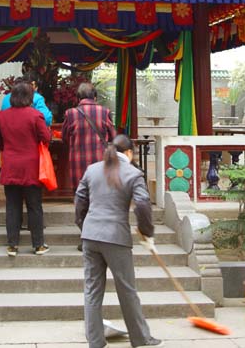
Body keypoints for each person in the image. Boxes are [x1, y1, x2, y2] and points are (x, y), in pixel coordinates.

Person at [75, 134, 162, 348]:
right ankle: (141, 338)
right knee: (127, 290)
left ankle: (95, 340)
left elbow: (80, 201)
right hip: (116, 238)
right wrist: (146, 232)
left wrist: (84, 225)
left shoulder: (92, 169)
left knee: (92, 289)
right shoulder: (133, 173)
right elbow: (142, 205)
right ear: (129, 153)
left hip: (90, 236)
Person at [0, 81, 51, 256]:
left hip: (10, 165)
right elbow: (46, 136)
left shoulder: (3, 116)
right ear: (30, 97)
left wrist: (4, 145)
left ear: (12, 96)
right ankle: (38, 245)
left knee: (12, 206)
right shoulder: (35, 115)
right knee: (34, 206)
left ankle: (12, 245)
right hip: (31, 167)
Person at [63, 82, 117, 195]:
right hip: (100, 165)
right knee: (100, 199)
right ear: (95, 97)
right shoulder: (104, 112)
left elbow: (65, 138)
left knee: (81, 200)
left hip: (78, 166)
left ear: (78, 98)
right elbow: (114, 137)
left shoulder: (70, 113)